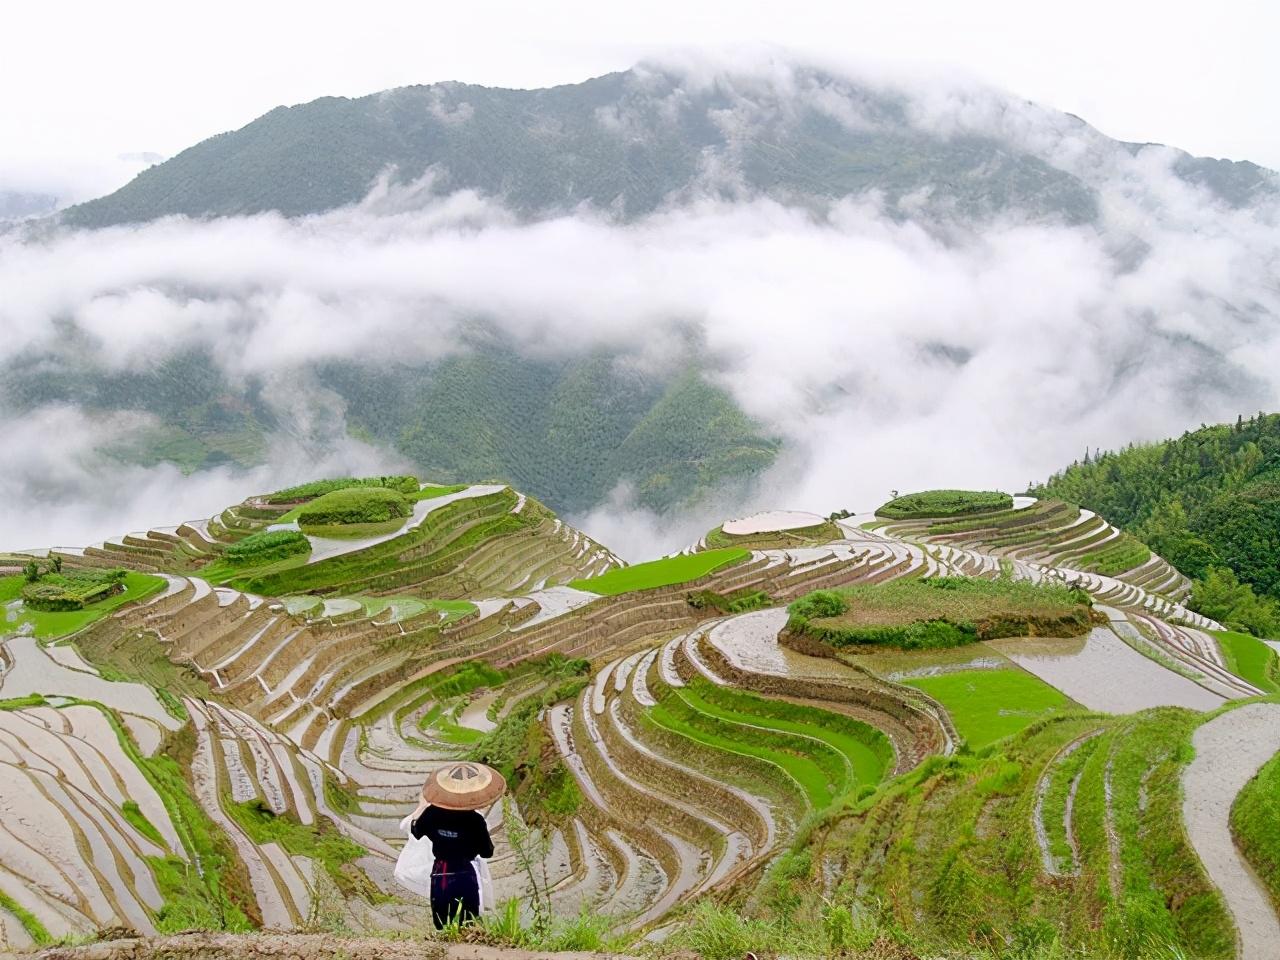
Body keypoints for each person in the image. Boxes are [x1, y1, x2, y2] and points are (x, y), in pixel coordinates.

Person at [410, 761, 504, 929]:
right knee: (469, 923)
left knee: (442, 924)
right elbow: (487, 852)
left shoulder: (431, 813)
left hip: (441, 874)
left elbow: (416, 832)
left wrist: (421, 809)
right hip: (464, 875)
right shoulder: (475, 821)